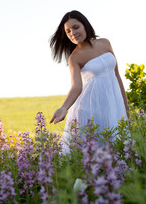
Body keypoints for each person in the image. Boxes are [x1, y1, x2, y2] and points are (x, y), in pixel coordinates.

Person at [50, 10, 129, 153]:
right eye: (68, 31)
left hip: (114, 105)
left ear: (85, 25)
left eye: (76, 27)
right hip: (91, 108)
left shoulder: (105, 43)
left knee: (119, 149)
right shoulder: (75, 57)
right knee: (96, 151)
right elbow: (76, 87)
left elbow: (117, 76)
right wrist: (64, 108)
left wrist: (126, 107)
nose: (72, 33)